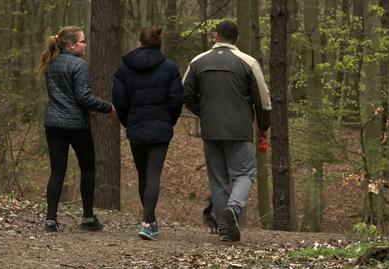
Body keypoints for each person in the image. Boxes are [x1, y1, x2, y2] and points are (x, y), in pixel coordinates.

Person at [182, 20, 271, 242]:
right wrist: (263, 125)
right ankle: (233, 207)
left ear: (215, 36)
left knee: (219, 180)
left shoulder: (197, 62)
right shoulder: (248, 62)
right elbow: (263, 100)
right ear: (237, 39)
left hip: (211, 130)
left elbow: (185, 94)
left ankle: (224, 230)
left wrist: (204, 113)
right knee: (245, 173)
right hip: (239, 129)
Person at [35, 26, 116, 232]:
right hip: (77, 125)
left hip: (53, 124)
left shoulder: (51, 62)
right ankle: (88, 218)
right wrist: (108, 108)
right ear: (71, 44)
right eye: (82, 41)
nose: (85, 44)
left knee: (57, 171)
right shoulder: (80, 65)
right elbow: (83, 97)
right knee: (87, 169)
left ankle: (50, 219)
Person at [112, 26, 183, 240]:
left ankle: (149, 222)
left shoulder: (124, 69)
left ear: (139, 43)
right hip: (160, 127)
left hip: (136, 127)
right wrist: (169, 121)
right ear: (158, 44)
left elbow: (120, 101)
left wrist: (128, 122)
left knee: (143, 174)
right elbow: (176, 101)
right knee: (153, 174)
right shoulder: (170, 68)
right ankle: (147, 222)